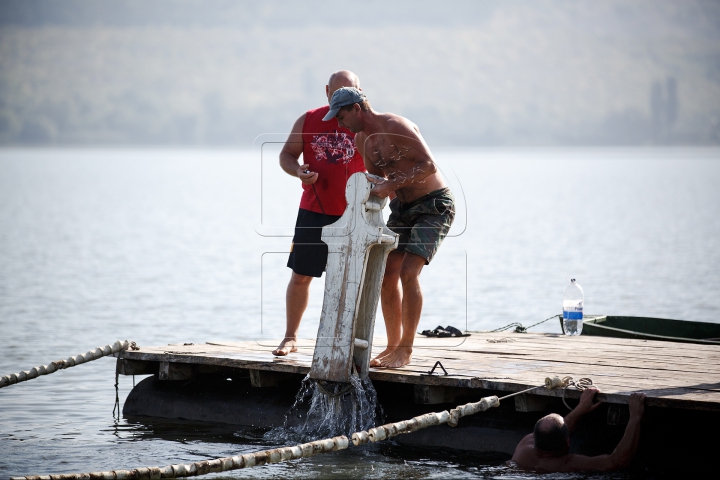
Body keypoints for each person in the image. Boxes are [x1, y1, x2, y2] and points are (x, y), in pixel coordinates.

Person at [324, 87, 455, 368]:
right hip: (403, 208)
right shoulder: (362, 140)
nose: (339, 123)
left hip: (434, 205)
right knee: (386, 274)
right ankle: (392, 346)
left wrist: (390, 186)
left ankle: (405, 350)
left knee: (409, 271)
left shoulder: (397, 126)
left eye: (342, 115)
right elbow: (378, 178)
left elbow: (429, 166)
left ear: (357, 109)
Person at [272, 71, 366, 356]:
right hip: (314, 209)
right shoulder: (309, 119)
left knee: (353, 280)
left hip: (354, 214)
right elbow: (287, 155)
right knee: (301, 275)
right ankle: (291, 336)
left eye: (350, 93)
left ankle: (346, 340)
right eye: (336, 93)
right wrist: (298, 170)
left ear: (360, 93)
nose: (342, 99)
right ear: (327, 91)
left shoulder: (366, 123)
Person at [511, 389, 646, 473]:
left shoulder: (524, 447)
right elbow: (617, 462)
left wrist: (580, 409)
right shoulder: (567, 464)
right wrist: (635, 417)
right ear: (568, 442)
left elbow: (557, 431)